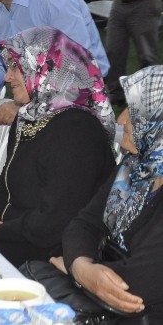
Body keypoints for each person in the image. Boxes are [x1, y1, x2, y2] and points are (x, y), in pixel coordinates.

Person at [0, 27, 116, 267]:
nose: (8, 78)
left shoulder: (78, 131)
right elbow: (6, 186)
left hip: (50, 256)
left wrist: (0, 232)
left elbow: (55, 221)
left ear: (46, 68)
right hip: (12, 236)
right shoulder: (30, 116)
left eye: (15, 68)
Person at [52, 66, 163, 322]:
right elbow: (84, 224)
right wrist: (80, 267)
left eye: (134, 112)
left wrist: (75, 269)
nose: (121, 120)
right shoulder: (134, 166)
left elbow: (136, 285)